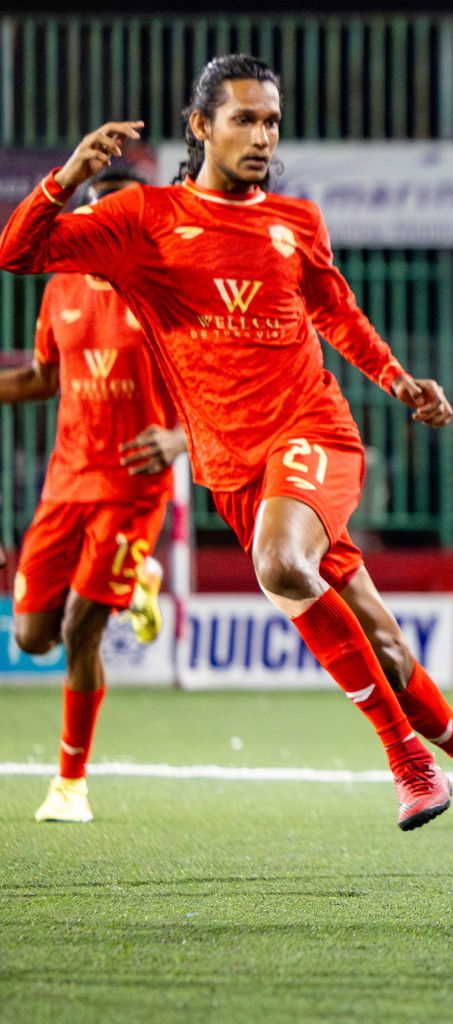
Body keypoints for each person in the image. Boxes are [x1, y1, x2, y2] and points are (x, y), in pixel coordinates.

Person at [0, 55, 453, 860]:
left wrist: (398, 381)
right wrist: (70, 172)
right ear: (201, 127)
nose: (262, 135)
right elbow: (17, 251)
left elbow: (339, 313)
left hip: (313, 435)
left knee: (280, 565)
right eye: (246, 119)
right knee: (388, 652)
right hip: (234, 467)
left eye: (272, 121)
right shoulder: (144, 220)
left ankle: (405, 760)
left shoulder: (295, 221)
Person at [0, 165, 184, 824]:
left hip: (133, 486)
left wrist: (178, 439)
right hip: (65, 481)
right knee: (33, 638)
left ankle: (70, 784)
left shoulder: (166, 289)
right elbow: (43, 378)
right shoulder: (62, 287)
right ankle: (141, 578)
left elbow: (220, 383)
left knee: (82, 629)